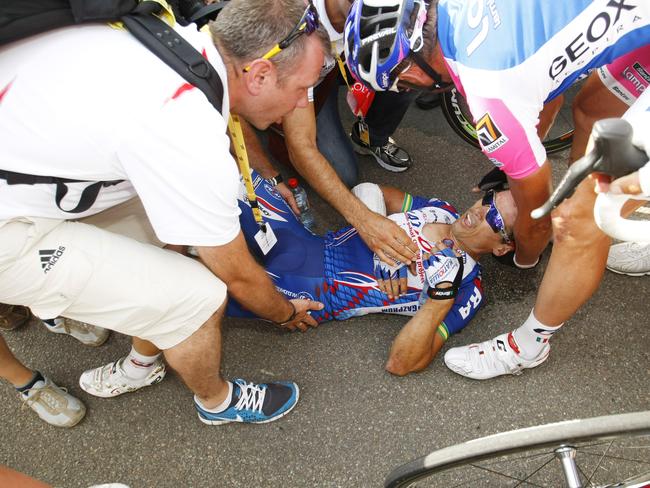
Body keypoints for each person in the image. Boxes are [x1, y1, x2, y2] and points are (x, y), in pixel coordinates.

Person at [0, 0, 331, 424]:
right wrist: (285, 313)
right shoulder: (185, 131)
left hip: (33, 164)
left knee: (170, 242)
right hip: (14, 229)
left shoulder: (165, 32)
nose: (304, 101)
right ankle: (216, 400)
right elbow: (238, 275)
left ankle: (128, 350)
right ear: (261, 74)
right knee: (199, 298)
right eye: (302, 88)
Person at [345, 0, 650, 379]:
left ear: (417, 64)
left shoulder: (489, 92)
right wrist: (515, 165)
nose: (403, 90)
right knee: (591, 111)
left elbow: (538, 220)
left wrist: (525, 259)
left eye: (402, 83)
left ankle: (530, 345)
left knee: (581, 219)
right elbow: (549, 93)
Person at [76, 174, 517, 397]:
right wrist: (374, 229)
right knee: (230, 180)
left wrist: (437, 298)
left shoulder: (466, 286)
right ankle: (133, 242)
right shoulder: (439, 208)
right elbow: (368, 188)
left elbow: (402, 362)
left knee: (176, 294)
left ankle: (139, 364)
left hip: (311, 292)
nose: (478, 211)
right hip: (302, 241)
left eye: (494, 219)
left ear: (501, 248)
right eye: (488, 199)